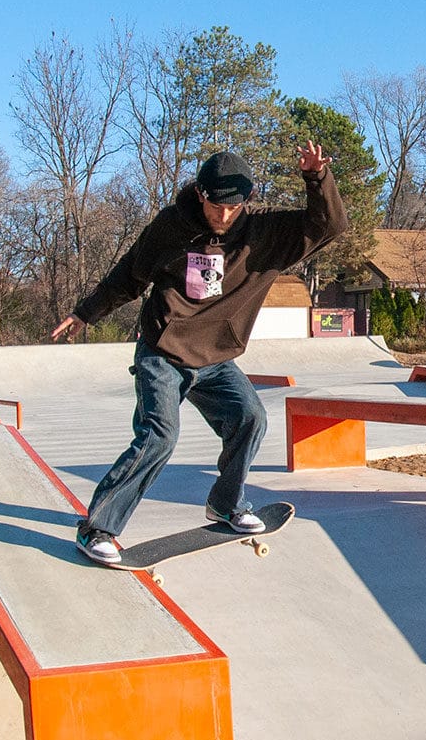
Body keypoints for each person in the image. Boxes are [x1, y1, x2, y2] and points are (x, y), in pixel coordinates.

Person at [50, 140, 343, 564]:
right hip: (162, 352)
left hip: (216, 358)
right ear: (200, 194)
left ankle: (225, 503)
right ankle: (97, 528)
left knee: (250, 418)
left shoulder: (265, 235)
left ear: (246, 201)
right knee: (160, 435)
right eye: (214, 206)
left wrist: (317, 178)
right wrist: (85, 313)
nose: (222, 217)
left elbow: (328, 226)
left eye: (232, 208)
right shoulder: (171, 227)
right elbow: (129, 276)